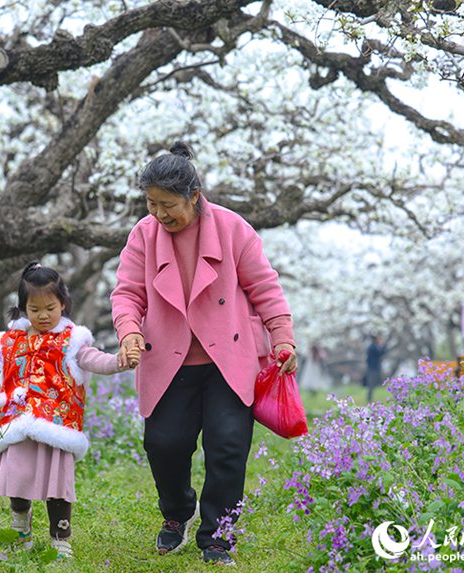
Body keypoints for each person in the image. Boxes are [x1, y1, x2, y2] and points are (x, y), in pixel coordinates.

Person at [110, 141, 297, 566]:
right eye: (151, 204)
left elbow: (264, 288)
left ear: (194, 195)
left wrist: (282, 337)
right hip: (168, 358)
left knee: (228, 447)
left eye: (167, 205)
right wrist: (128, 332)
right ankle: (177, 514)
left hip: (228, 360)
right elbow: (127, 293)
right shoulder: (144, 234)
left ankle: (218, 536)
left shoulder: (233, 228)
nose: (159, 214)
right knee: (164, 443)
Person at [0, 262, 140, 559]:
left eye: (50, 307)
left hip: (56, 426)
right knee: (17, 480)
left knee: (57, 486)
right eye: (34, 309)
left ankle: (60, 540)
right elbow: (1, 381)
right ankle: (20, 531)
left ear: (63, 304)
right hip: (17, 425)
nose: (43, 315)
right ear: (23, 309)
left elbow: (93, 360)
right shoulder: (11, 343)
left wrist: (119, 362)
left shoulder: (70, 341)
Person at [365, 334, 387, 403]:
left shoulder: (373, 347)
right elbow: (380, 353)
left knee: (373, 384)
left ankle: (370, 399)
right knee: (371, 384)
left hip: (374, 368)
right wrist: (383, 345)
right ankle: (369, 399)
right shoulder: (372, 347)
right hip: (372, 368)